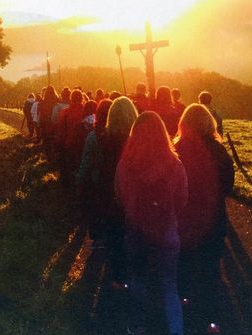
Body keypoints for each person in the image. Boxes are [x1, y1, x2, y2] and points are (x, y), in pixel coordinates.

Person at [115, 111, 188, 335]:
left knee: (138, 280)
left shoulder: (126, 164)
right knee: (169, 285)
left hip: (136, 232)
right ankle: (176, 330)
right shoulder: (174, 164)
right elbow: (182, 199)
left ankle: (139, 326)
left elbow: (119, 195)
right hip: (166, 231)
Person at [174, 103, 234, 333]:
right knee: (210, 270)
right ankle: (211, 320)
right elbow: (227, 185)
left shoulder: (176, 149)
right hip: (213, 219)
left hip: (184, 219)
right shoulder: (220, 152)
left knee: (184, 265)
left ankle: (184, 306)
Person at [96, 96, 138, 288]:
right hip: (133, 196)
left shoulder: (104, 139)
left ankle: (117, 278)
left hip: (109, 195)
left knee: (114, 235)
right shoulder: (137, 142)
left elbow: (100, 169)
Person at [77, 98, 112, 240]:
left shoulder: (93, 135)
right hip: (116, 181)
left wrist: (80, 180)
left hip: (97, 179)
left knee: (97, 210)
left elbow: (86, 161)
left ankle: (97, 241)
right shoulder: (124, 135)